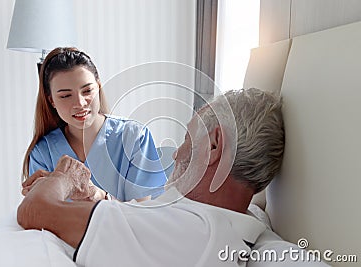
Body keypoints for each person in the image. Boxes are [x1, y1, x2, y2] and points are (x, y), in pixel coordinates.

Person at [17, 88, 329, 266]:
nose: (177, 153)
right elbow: (130, 222)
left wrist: (62, 177)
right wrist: (91, 194)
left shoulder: (191, 231)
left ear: (215, 145)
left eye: (186, 139)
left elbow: (34, 212)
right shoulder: (240, 215)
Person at [22, 47, 167, 201]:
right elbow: (42, 213)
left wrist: (99, 197)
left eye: (87, 91)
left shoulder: (135, 137)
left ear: (98, 87)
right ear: (52, 101)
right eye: (65, 96)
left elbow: (143, 212)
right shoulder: (43, 152)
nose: (80, 103)